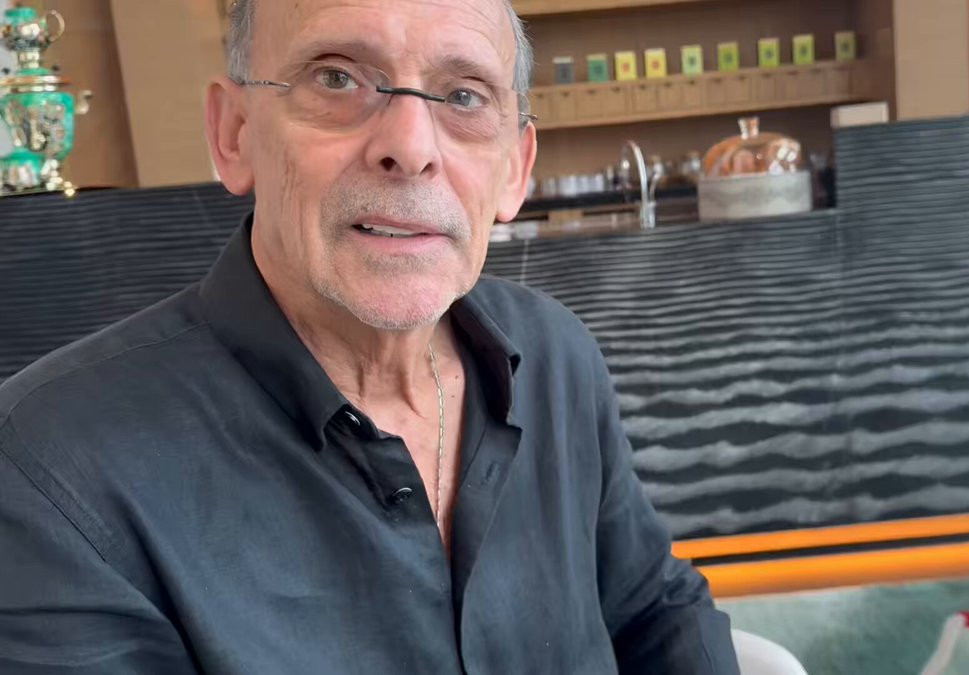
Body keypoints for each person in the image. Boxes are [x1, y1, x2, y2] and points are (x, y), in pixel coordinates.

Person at [0, 0, 738, 672]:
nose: (410, 148)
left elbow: (654, 608)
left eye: (464, 96)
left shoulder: (557, 356)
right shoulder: (53, 470)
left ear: (515, 168)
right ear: (235, 135)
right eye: (338, 78)